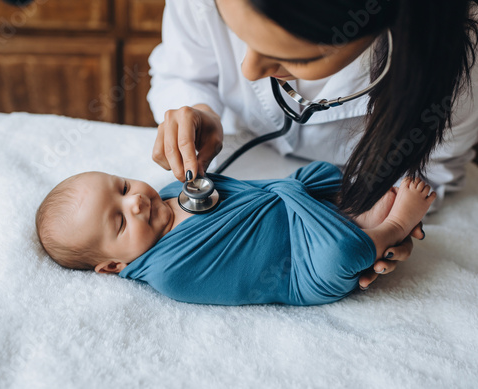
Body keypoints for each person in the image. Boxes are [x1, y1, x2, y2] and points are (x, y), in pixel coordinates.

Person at [147, 0, 478, 289]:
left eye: (290, 56)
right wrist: (200, 110)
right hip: (244, 150)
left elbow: (426, 173)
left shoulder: (456, 63)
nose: (249, 72)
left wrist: (386, 220)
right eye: (239, 36)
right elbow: (181, 73)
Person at [35, 162, 434, 305]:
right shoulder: (169, 272)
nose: (135, 202)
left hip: (295, 210)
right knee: (342, 255)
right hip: (302, 269)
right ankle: (391, 227)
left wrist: (293, 192)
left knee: (323, 174)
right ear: (112, 265)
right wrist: (291, 197)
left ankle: (359, 217)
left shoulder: (174, 190)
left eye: (122, 187)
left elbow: (253, 191)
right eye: (120, 222)